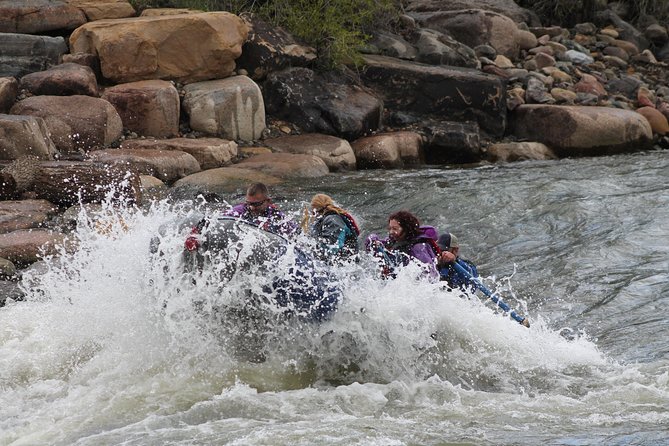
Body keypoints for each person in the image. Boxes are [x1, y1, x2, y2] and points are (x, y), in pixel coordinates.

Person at [366, 210, 439, 280]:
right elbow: (371, 241)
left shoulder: (418, 247)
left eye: (395, 229)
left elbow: (430, 275)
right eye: (390, 228)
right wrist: (374, 241)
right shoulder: (394, 240)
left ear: (406, 229)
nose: (391, 232)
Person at [224, 182, 299, 237]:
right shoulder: (237, 212)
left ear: (268, 201)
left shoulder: (277, 217)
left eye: (256, 204)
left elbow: (296, 234)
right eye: (249, 203)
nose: (252, 207)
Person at [308, 193, 360, 263]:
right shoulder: (326, 219)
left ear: (314, 211)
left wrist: (310, 250)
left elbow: (333, 247)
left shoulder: (333, 221)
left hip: (343, 266)